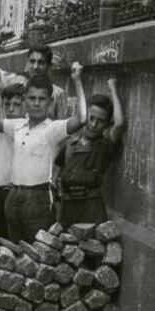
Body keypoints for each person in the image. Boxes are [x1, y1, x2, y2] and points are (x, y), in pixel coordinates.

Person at [0, 62, 87, 243]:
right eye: (32, 98)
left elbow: (82, 118)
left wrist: (77, 80)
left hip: (39, 200)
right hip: (12, 197)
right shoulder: (16, 125)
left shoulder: (53, 129)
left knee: (39, 254)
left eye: (41, 99)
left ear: (50, 102)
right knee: (15, 254)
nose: (36, 103)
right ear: (25, 100)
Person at [55, 77, 124, 228]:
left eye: (100, 121)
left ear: (106, 124)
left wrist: (112, 88)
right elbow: (58, 176)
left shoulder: (104, 146)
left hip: (91, 208)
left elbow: (119, 124)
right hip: (68, 208)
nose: (93, 124)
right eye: (91, 118)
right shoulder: (70, 144)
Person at [0, 28, 26, 238]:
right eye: (7, 103)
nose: (11, 108)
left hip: (20, 194)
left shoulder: (28, 127)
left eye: (17, 104)